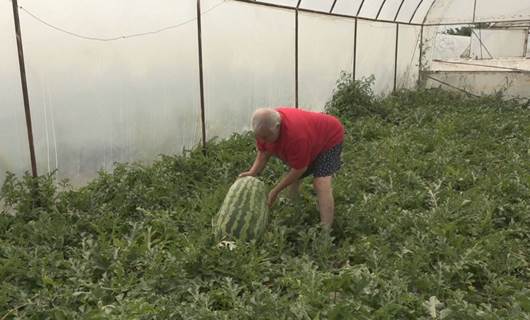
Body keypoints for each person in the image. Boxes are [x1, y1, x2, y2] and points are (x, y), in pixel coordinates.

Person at [239, 107, 344, 227]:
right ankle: (293, 209)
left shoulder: (296, 136)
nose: (263, 140)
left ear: (278, 126)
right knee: (294, 176)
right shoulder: (265, 128)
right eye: (260, 137)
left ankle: (326, 231)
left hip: (330, 137)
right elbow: (264, 153)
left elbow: (299, 169)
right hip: (311, 138)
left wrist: (275, 191)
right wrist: (252, 172)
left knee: (321, 182)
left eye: (267, 137)